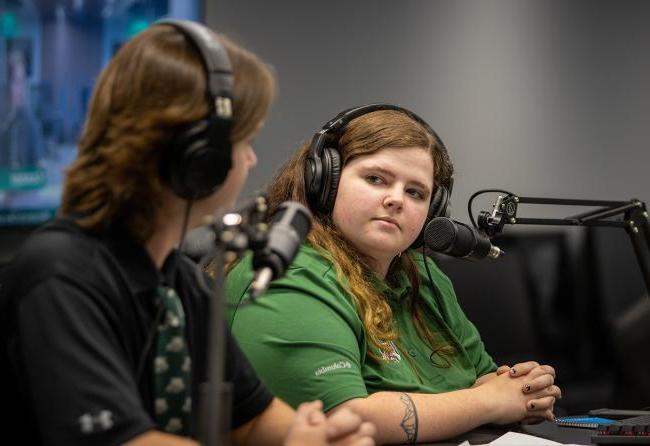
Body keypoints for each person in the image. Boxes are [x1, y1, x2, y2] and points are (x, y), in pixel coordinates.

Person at [0, 21, 375, 446]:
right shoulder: (59, 276)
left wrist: (318, 436)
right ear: (199, 157)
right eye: (245, 142)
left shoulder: (181, 283)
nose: (252, 160)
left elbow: (252, 421)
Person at [225, 104, 562, 444]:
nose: (396, 200)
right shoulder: (287, 274)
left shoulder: (423, 275)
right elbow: (343, 418)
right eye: (375, 179)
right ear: (324, 181)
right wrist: (488, 402)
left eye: (416, 192)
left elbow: (487, 379)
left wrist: (521, 389)